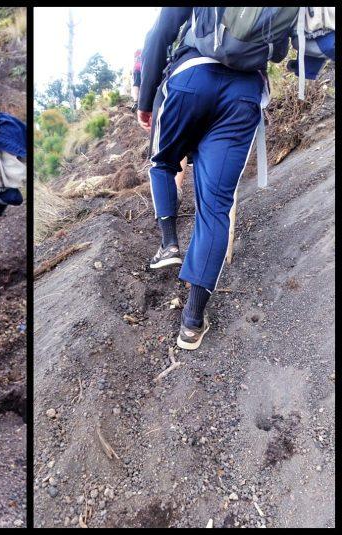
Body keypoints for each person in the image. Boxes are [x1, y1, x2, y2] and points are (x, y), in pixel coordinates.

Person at [137, 7, 289, 350]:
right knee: (216, 206)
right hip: (243, 95)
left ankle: (169, 244)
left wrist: (145, 99)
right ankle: (191, 322)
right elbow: (278, 51)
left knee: (162, 162)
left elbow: (160, 32)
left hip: (191, 77)